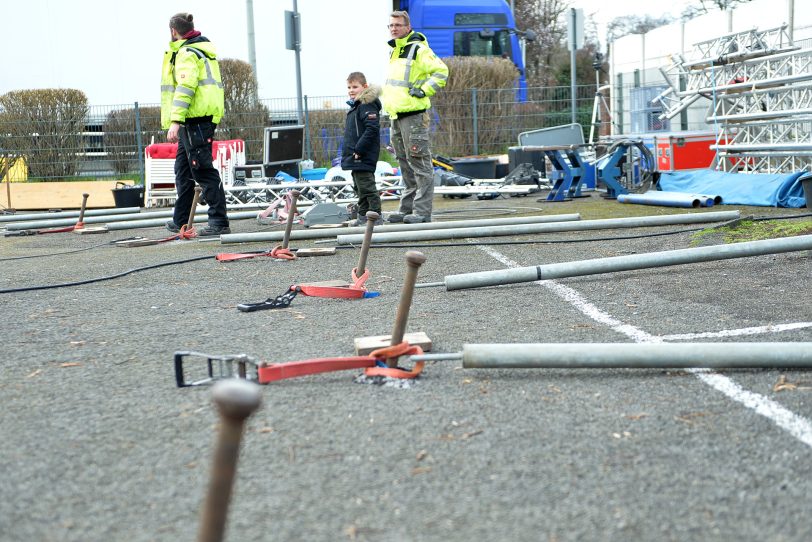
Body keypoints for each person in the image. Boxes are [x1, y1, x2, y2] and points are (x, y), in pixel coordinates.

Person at [161, 12, 230, 236]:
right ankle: (181, 220)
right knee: (183, 170)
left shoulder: (187, 53)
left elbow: (185, 88)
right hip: (196, 120)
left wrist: (175, 121)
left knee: (202, 170)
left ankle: (219, 222)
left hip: (195, 120)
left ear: (173, 31)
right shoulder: (200, 50)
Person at [382, 10, 448, 224]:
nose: (394, 28)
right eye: (391, 25)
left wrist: (425, 90)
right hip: (397, 116)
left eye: (398, 25)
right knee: (405, 165)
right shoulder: (395, 50)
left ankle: (421, 212)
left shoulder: (418, 48)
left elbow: (441, 72)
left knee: (419, 164)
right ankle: (407, 209)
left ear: (407, 27)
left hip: (413, 116)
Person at [341, 72, 383, 227]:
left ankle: (376, 217)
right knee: (359, 186)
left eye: (355, 87)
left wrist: (359, 149)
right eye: (349, 87)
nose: (351, 90)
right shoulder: (357, 106)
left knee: (367, 186)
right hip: (355, 155)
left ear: (364, 87)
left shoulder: (367, 104)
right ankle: (363, 216)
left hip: (362, 154)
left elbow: (371, 129)